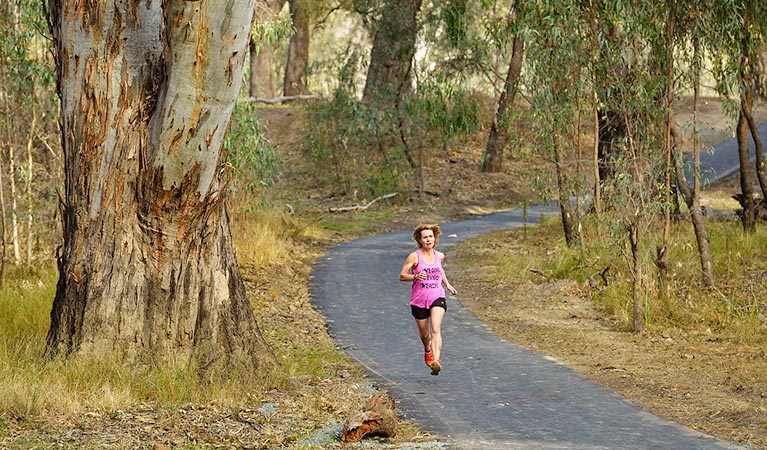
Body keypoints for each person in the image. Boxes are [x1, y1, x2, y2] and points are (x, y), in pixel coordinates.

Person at [399, 224, 457, 375]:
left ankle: (436, 361)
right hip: (419, 300)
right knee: (425, 335)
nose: (428, 239)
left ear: (434, 238)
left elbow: (440, 269)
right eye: (425, 237)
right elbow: (402, 275)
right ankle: (428, 349)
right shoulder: (414, 256)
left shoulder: (440, 255)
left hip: (437, 296)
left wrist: (447, 284)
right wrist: (416, 276)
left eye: (431, 236)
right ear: (420, 240)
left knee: (436, 329)